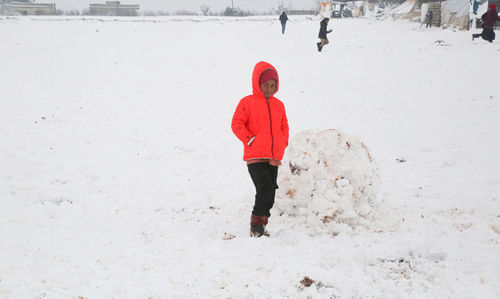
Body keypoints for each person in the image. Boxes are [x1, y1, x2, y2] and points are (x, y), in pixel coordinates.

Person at [231, 61, 289, 237]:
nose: (269, 89)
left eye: (273, 85)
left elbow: (284, 126)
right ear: (257, 83)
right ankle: (255, 226)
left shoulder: (279, 105)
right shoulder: (247, 102)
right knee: (264, 188)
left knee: (271, 192)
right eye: (266, 85)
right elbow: (236, 124)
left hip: (273, 156)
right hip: (255, 155)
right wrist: (249, 139)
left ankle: (262, 224)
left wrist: (282, 142)